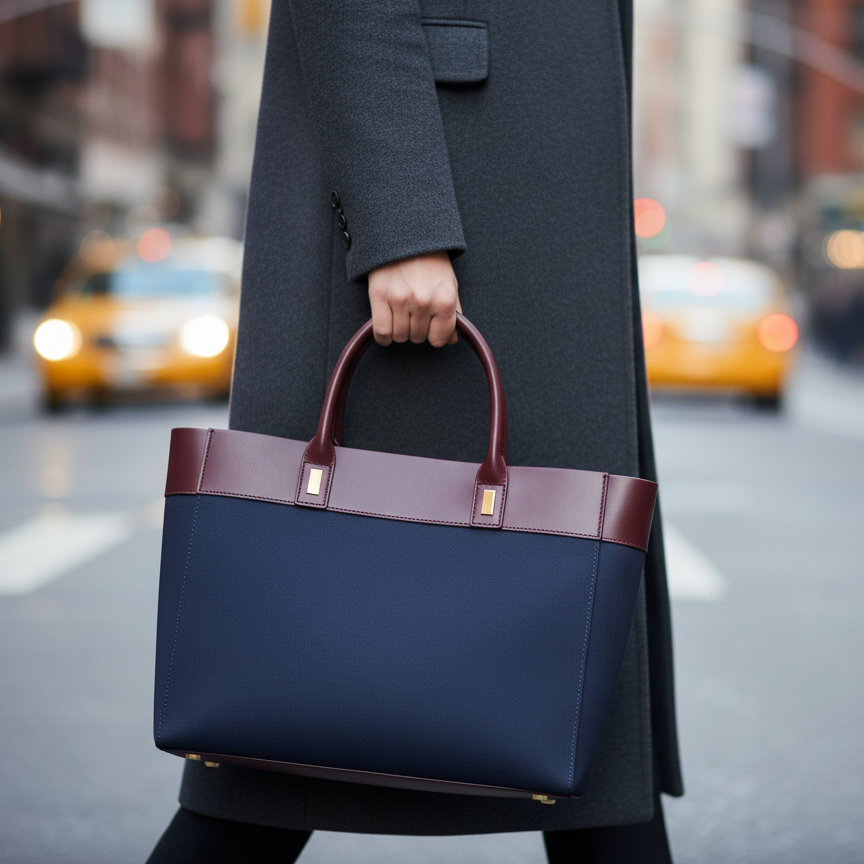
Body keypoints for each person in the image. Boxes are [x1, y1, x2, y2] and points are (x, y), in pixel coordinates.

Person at [147, 1, 682, 861]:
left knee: (578, 713)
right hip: (449, 192)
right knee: (287, 719)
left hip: (512, 200)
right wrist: (399, 223)